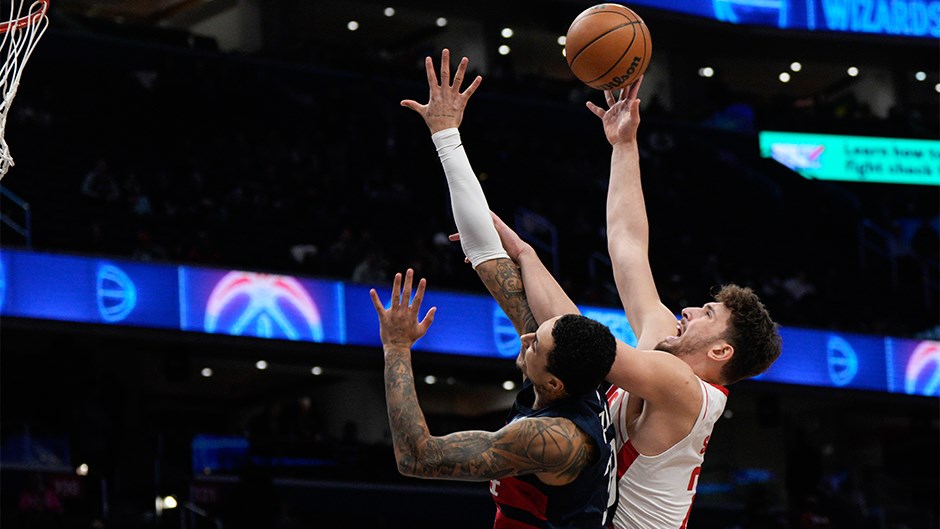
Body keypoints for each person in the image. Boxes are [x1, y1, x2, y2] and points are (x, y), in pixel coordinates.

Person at [408, 49, 783, 528]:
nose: (688, 310)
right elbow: (628, 249)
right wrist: (624, 145)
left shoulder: (686, 389)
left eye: (707, 313)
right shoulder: (662, 352)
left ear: (720, 352)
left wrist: (523, 257)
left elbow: (573, 334)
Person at [371, 269, 617, 529]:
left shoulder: (556, 440)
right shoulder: (571, 374)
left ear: (554, 384)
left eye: (535, 345)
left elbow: (416, 457)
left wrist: (396, 347)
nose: (526, 338)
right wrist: (477, 235)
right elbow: (516, 300)